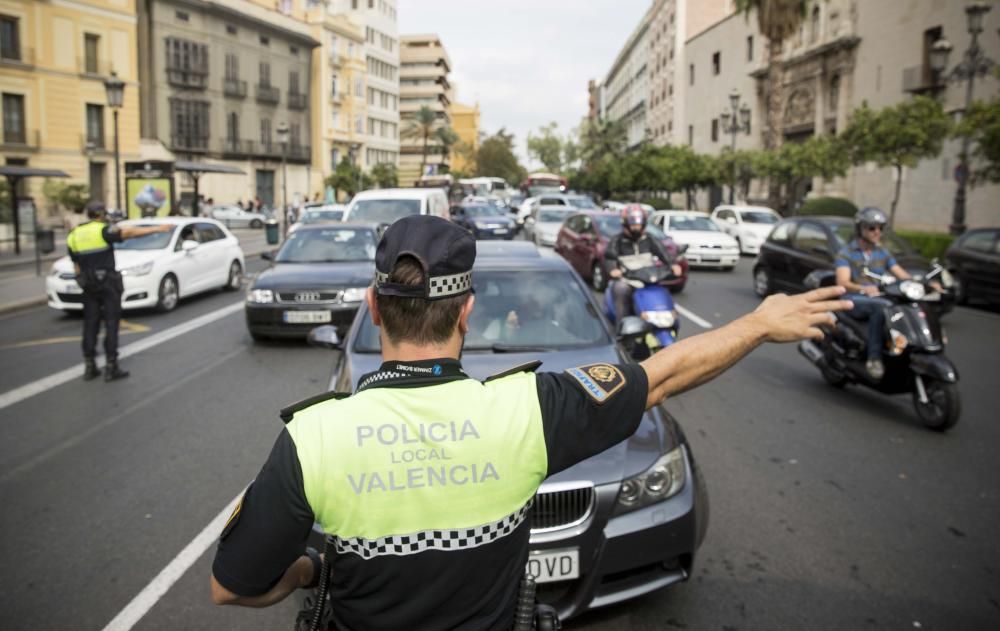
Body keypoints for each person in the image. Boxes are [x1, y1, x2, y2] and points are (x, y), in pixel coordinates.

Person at [209, 215, 851, 628]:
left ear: (375, 307)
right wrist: (760, 323)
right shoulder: (524, 410)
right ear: (466, 312)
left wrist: (310, 571)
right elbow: (664, 375)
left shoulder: (313, 437)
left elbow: (231, 588)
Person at [67, 201, 172, 381]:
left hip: (88, 284)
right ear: (100, 214)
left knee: (90, 323)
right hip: (107, 282)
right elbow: (129, 233)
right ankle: (111, 366)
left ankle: (89, 365)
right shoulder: (103, 229)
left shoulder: (75, 233)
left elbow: (75, 263)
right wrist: (158, 229)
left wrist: (82, 280)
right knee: (111, 322)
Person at [834, 207, 913, 380]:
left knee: (903, 306)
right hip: (854, 299)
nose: (877, 232)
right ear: (860, 229)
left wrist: (923, 283)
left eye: (880, 228)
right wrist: (863, 289)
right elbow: (843, 282)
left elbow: (901, 273)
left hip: (878, 296)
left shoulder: (882, 252)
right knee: (883, 308)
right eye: (871, 228)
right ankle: (874, 358)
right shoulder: (846, 253)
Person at [604, 204, 683, 320]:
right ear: (625, 223)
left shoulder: (649, 239)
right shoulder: (617, 241)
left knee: (663, 292)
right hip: (629, 280)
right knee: (620, 289)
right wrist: (613, 269)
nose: (637, 226)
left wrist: (673, 264)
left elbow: (663, 253)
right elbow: (610, 257)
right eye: (633, 223)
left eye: (639, 223)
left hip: (649, 280)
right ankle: (622, 325)